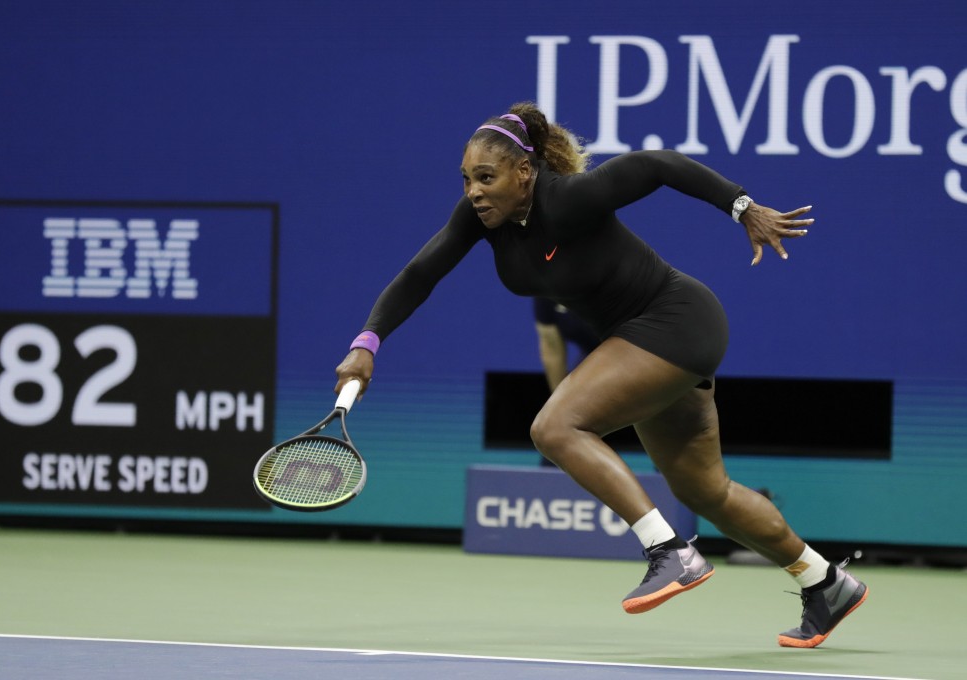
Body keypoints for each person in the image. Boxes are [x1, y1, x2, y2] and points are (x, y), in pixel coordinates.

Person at [334, 102, 868, 648]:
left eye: (486, 177)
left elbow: (657, 164)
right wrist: (365, 344)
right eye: (467, 179)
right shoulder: (481, 218)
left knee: (555, 427)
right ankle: (825, 582)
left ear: (525, 173)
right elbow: (419, 274)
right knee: (708, 492)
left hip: (675, 320)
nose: (473, 190)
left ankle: (669, 551)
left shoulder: (567, 199)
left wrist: (742, 206)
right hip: (650, 344)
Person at [533, 297, 600, 467]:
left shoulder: (612, 276)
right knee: (554, 429)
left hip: (649, 350)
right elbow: (551, 344)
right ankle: (551, 487)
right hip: (596, 354)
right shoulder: (545, 283)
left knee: (662, 431)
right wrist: (559, 403)